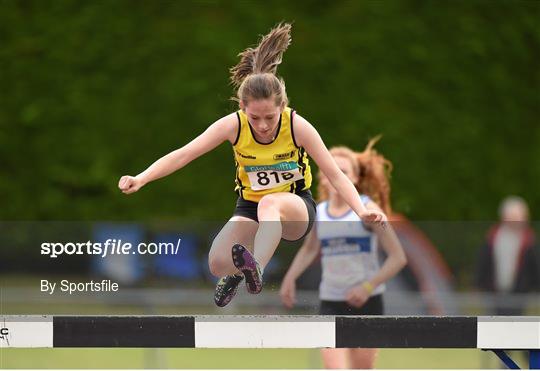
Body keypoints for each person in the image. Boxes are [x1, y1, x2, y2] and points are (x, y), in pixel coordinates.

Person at [118, 23, 386, 307]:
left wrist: (361, 210)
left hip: (293, 208)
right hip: (249, 205)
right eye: (254, 117)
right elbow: (184, 154)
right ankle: (241, 272)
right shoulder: (233, 126)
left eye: (269, 117)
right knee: (218, 263)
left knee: (270, 203)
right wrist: (142, 177)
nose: (262, 126)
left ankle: (254, 267)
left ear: (281, 106)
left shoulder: (297, 126)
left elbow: (334, 174)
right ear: (243, 108)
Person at [280, 140, 407, 369]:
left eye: (344, 172)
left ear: (355, 178)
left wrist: (367, 287)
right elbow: (309, 249)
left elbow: (398, 257)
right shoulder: (319, 212)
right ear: (323, 177)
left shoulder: (368, 210)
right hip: (330, 301)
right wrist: (290, 278)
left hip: (367, 302)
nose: (335, 177)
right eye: (331, 172)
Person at [476, 196, 540, 315]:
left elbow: (534, 268)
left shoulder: (529, 240)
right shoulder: (493, 238)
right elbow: (484, 263)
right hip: (494, 295)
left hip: (519, 296)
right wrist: (481, 284)